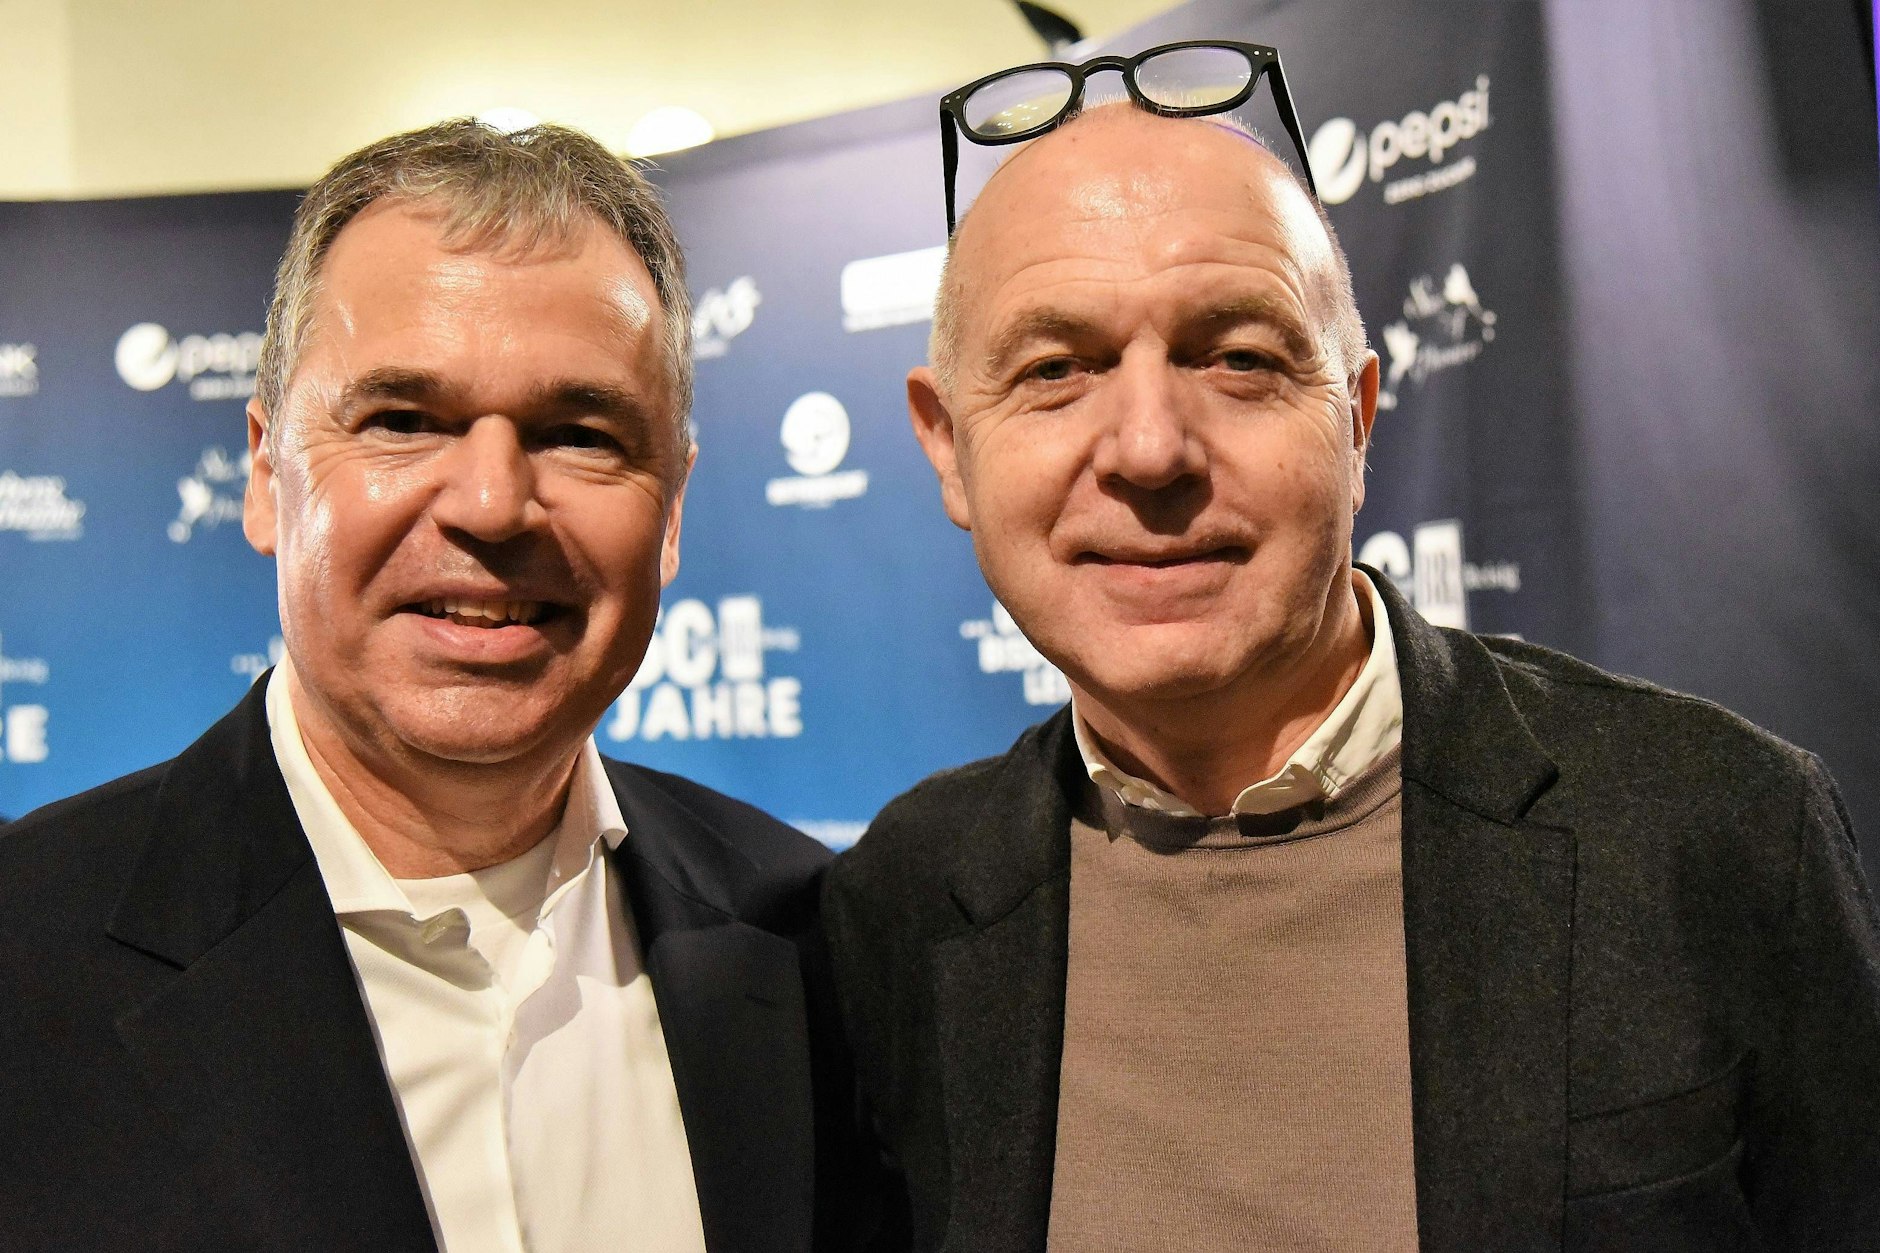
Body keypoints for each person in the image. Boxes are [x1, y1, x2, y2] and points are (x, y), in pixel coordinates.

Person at [822, 78, 1880, 1253]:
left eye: (1235, 358)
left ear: (1357, 418)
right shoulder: (898, 905)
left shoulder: (1716, 826)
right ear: (947, 446)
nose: (1148, 449)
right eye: (1054, 369)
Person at [0, 121, 874, 1252]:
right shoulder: (25, 956)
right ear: (268, 475)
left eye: (579, 432)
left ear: (671, 509)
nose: (492, 502)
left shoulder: (813, 943)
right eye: (404, 420)